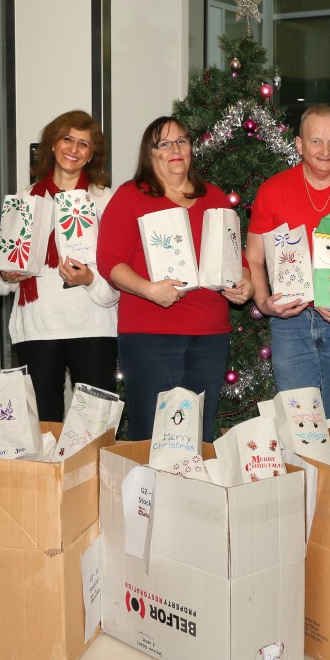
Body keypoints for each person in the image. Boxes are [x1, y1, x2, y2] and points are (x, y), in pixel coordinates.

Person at [97, 116, 254, 441]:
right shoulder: (130, 197)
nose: (175, 149)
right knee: (151, 435)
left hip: (210, 334)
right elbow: (109, 262)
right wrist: (148, 290)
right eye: (164, 143)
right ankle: (149, 494)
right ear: (149, 153)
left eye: (182, 140)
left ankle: (193, 493)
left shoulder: (213, 196)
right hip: (150, 334)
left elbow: (236, 258)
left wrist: (245, 283)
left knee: (199, 433)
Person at [245, 104, 330, 420]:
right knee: (297, 425)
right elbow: (253, 257)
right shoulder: (273, 190)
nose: (325, 150)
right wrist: (264, 302)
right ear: (299, 144)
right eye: (316, 141)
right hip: (290, 323)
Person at [0, 110, 118, 422]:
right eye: (67, 139)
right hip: (37, 325)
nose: (73, 149)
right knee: (43, 422)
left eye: (84, 144)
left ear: (92, 155)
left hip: (93, 324)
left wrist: (90, 279)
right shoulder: (24, 200)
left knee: (94, 423)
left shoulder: (104, 201)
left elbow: (117, 281)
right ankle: (48, 473)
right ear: (51, 145)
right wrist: (8, 275)